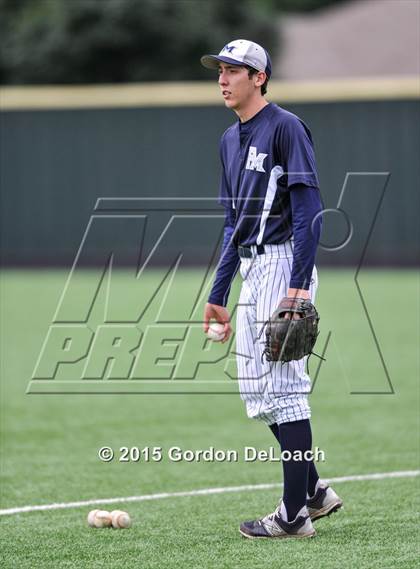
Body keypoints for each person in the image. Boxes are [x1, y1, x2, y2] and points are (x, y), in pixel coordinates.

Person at [201, 39, 342, 539]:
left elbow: (309, 211)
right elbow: (232, 223)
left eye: (233, 70)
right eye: (220, 70)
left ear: (258, 77)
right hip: (251, 268)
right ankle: (314, 491)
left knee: (284, 389)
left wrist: (299, 286)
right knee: (256, 393)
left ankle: (292, 517)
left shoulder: (285, 127)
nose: (223, 78)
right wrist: (219, 291)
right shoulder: (227, 140)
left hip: (285, 265)